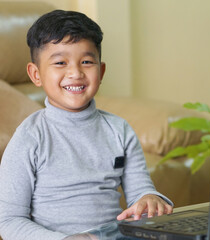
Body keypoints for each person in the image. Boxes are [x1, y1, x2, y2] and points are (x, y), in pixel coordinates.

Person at [0, 9, 173, 240]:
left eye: (87, 61)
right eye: (60, 62)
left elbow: (139, 191)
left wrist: (148, 197)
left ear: (100, 72)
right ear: (35, 74)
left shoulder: (119, 129)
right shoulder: (29, 137)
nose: (75, 72)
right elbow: (8, 220)